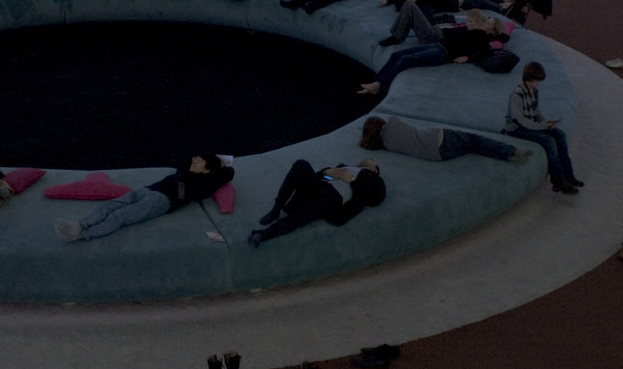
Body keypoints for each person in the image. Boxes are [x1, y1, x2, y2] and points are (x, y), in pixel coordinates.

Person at [56, 155, 235, 242]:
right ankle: (81, 224)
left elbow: (183, 195)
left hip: (161, 200)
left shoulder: (201, 182)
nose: (194, 160)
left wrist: (215, 165)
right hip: (147, 189)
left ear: (208, 169)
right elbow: (183, 161)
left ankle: (81, 235)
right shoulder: (186, 170)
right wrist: (189, 170)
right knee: (111, 205)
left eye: (200, 161)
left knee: (120, 216)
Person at [357, 9, 505, 95]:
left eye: (488, 22)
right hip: (439, 45)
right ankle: (377, 81)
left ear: (492, 30)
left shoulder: (484, 39)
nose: (485, 21)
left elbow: (487, 53)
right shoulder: (472, 30)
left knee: (406, 59)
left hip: (443, 54)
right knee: (397, 55)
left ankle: (380, 86)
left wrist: (467, 57)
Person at [248, 159, 386, 245]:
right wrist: (329, 172)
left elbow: (375, 198)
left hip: (334, 196)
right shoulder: (346, 166)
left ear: (374, 169)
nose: (367, 159)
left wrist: (353, 181)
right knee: (301, 164)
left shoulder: (374, 181)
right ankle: (276, 209)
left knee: (305, 213)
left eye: (371, 161)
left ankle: (264, 234)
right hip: (319, 186)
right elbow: (321, 177)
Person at [505, 62, 580, 194]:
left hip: (531, 124)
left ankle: (569, 175)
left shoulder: (534, 91)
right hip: (516, 128)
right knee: (548, 141)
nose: (539, 83)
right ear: (529, 79)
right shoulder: (516, 95)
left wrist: (546, 122)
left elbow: (536, 111)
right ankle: (558, 181)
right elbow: (521, 121)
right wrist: (542, 126)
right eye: (537, 81)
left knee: (560, 135)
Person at [360, 115, 529, 164]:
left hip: (438, 156)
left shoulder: (387, 145)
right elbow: (393, 117)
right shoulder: (392, 124)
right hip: (439, 139)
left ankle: (506, 155)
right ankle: (511, 151)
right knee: (475, 139)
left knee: (472, 145)